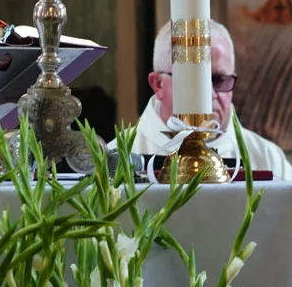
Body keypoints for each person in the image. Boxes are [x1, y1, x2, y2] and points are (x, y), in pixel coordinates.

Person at [109, 20, 291, 178]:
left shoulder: (269, 160)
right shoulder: (114, 159)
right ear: (158, 84)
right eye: (194, 81)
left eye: (219, 80)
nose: (209, 95)